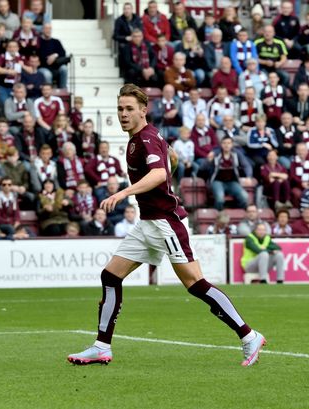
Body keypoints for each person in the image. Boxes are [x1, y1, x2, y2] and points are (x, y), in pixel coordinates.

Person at [67, 84, 265, 366]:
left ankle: (249, 336)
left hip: (164, 223)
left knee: (195, 284)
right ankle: (101, 346)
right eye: (120, 109)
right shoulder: (146, 136)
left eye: (129, 109)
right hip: (148, 222)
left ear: (143, 111)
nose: (123, 114)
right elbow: (169, 158)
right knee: (110, 276)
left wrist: (124, 192)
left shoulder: (145, 138)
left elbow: (159, 172)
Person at [208, 136, 250, 211]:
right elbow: (203, 168)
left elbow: (246, 165)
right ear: (221, 144)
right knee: (220, 199)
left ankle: (238, 213)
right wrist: (208, 161)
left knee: (245, 196)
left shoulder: (236, 154)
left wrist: (248, 176)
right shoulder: (216, 153)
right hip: (217, 181)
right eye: (224, 143)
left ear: (232, 144)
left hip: (232, 182)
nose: (226, 145)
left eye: (229, 143)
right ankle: (218, 215)